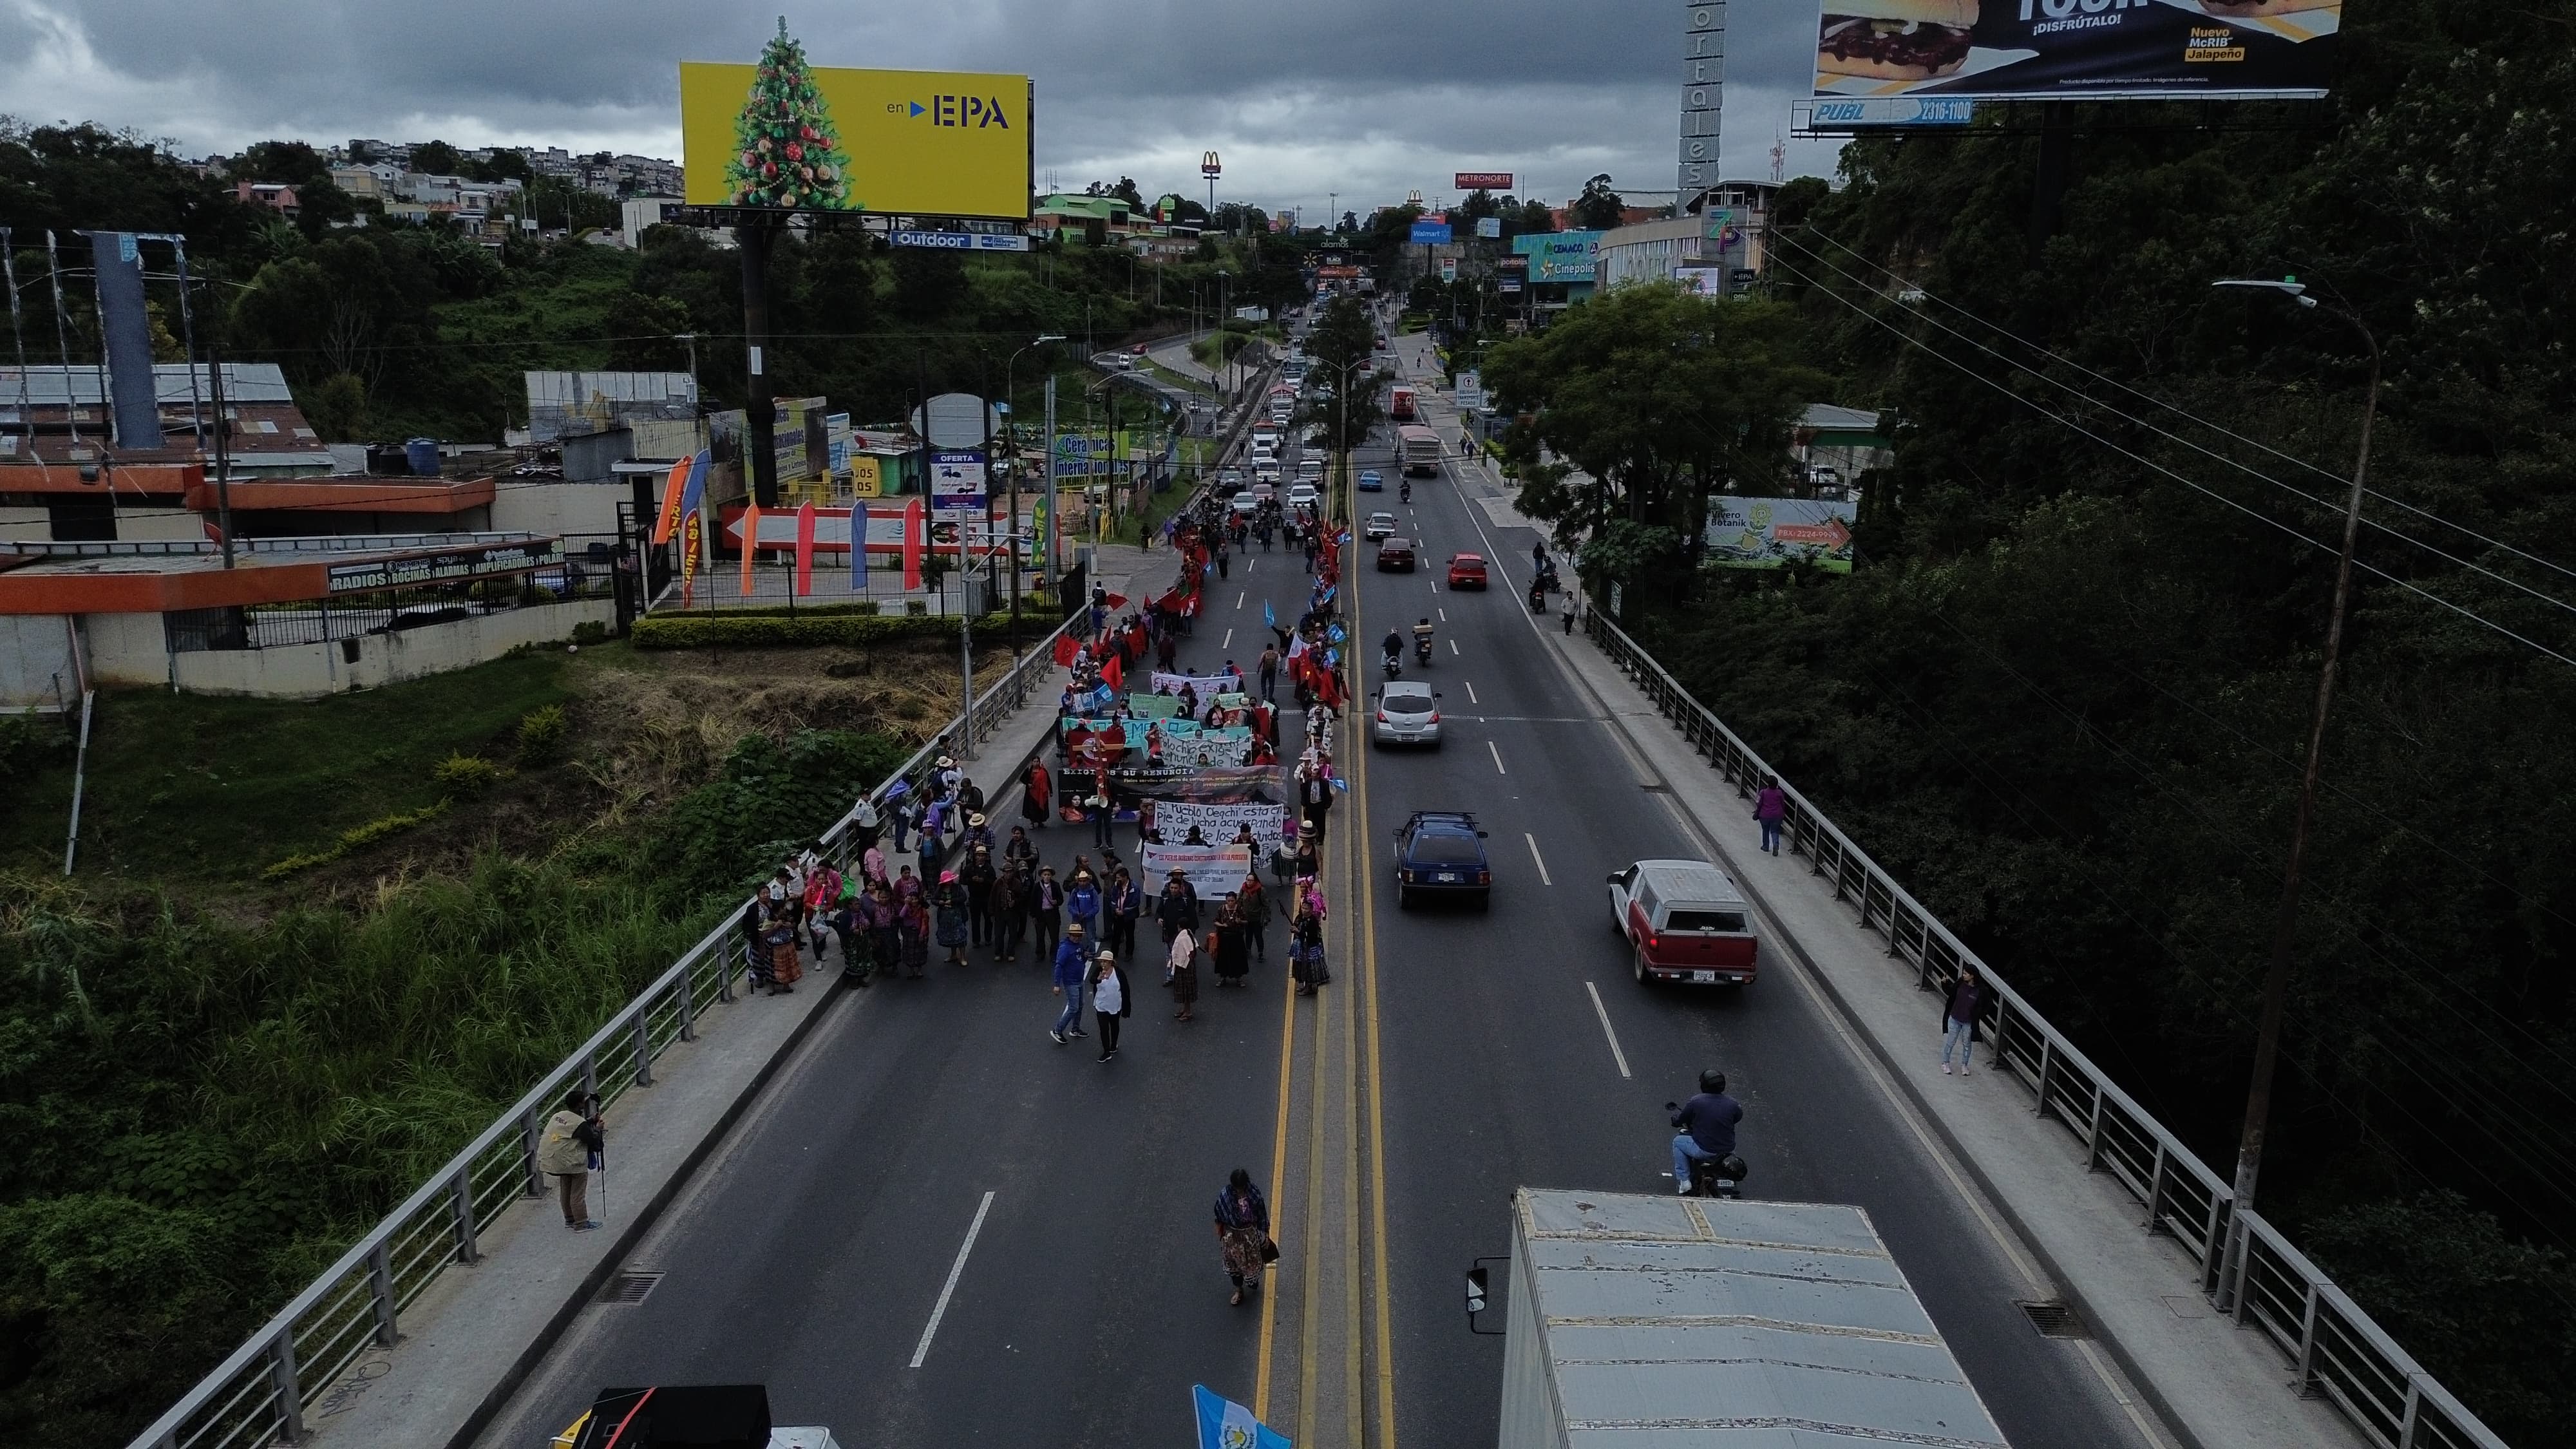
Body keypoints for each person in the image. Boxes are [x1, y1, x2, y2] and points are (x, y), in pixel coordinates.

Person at [1669, 1070, 1745, 1195]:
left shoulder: (1696, 1101)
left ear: (1704, 1085)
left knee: (1678, 1142)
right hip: (1728, 1150)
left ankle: (1684, 1182)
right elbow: (1737, 1118)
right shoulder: (1733, 1104)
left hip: (1704, 1149)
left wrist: (1675, 1121)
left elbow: (1682, 1119)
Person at [538, 1092, 604, 1231]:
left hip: (554, 1159)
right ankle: (581, 1223)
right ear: (580, 1104)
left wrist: (590, 1121)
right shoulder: (579, 1123)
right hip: (571, 1161)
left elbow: (573, 1128)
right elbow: (593, 1141)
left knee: (566, 1189)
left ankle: (570, 1219)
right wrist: (598, 1130)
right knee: (577, 1193)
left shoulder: (559, 1115)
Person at [1213, 1168, 1273, 1305]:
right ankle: (1239, 1290)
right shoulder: (1226, 1195)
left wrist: (1266, 1234)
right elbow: (1218, 1214)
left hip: (1250, 1238)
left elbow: (1262, 1215)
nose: (1239, 1191)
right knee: (1235, 1267)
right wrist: (1221, 1233)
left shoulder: (1254, 1195)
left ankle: (1252, 1282)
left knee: (1251, 1267)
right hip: (1232, 1238)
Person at [1050, 922, 1092, 1044]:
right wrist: (1057, 985)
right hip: (1071, 982)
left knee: (1080, 1005)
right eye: (1074, 935)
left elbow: (1081, 960)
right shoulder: (1065, 948)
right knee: (1074, 1007)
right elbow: (1059, 966)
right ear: (1069, 935)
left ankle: (1075, 1029)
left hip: (1079, 980)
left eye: (1079, 935)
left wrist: (1085, 956)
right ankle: (1058, 1030)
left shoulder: (1079, 945)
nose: (1077, 937)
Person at [1942, 968, 1986, 1075]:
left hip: (1968, 1021)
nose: (1963, 975)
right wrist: (1945, 983)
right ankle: (1945, 1063)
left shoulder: (1980, 990)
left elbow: (1987, 1005)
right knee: (1950, 1042)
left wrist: (1978, 1015)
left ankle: (1964, 1065)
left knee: (1967, 1044)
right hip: (1955, 1018)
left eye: (1966, 974)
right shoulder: (1960, 983)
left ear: (1972, 976)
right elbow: (1951, 992)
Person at [1088, 949, 1129, 1062]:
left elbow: (1125, 990)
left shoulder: (1119, 973)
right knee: (1104, 1029)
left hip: (1115, 1006)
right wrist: (1098, 979)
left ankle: (1114, 1045)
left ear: (1111, 962)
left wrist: (1126, 1009)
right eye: (1101, 962)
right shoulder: (1098, 971)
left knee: (1115, 1026)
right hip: (1101, 1005)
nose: (1103, 964)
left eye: (1105, 962)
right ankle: (1106, 1052)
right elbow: (1091, 980)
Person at [990, 862, 1028, 962]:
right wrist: (991, 912)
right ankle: (999, 953)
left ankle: (1010, 953)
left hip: (1012, 913)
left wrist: (1015, 902)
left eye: (1010, 872)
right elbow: (993, 898)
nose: (1008, 874)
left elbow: (1022, 897)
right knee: (999, 934)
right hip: (1000, 912)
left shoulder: (1017, 883)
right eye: (1006, 872)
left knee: (1012, 934)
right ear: (1003, 873)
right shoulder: (998, 883)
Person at [1210, 895, 1251, 987]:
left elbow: (1247, 921)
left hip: (1237, 938)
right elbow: (1215, 921)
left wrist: (1240, 921)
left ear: (1235, 901)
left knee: (1237, 958)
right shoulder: (1221, 909)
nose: (1231, 903)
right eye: (1229, 901)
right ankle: (1223, 978)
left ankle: (1238, 978)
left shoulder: (1240, 909)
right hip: (1224, 937)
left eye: (1232, 901)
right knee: (1223, 958)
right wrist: (1221, 925)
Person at [934, 870, 971, 967]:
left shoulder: (957, 888)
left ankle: (963, 957)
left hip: (957, 916)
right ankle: (953, 955)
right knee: (951, 938)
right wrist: (940, 902)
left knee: (960, 937)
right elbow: (934, 900)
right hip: (945, 917)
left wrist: (952, 901)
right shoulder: (940, 890)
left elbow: (963, 898)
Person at [961, 847, 997, 947]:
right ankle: (976, 941)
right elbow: (963, 880)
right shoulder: (969, 867)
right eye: (979, 855)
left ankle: (988, 939)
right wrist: (972, 880)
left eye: (982, 856)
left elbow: (994, 881)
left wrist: (984, 881)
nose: (980, 858)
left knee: (988, 919)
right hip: (974, 898)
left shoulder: (989, 868)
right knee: (975, 920)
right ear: (975, 856)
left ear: (985, 857)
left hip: (986, 897)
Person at [1167, 920, 1200, 1022]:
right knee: (1184, 989)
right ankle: (1184, 1009)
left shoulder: (1184, 937)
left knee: (1186, 989)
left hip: (1184, 967)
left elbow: (1190, 952)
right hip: (1184, 966)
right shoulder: (1188, 933)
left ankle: (1188, 1012)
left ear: (1179, 926)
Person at [1031, 866, 1065, 963]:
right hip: (1040, 914)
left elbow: (1061, 899)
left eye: (1048, 875)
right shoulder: (1037, 886)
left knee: (1054, 936)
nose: (1047, 877)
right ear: (1042, 876)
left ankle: (1054, 955)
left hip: (1052, 914)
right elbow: (1033, 901)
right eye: (1045, 875)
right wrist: (1033, 916)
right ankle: (1040, 954)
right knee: (1040, 936)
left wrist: (1056, 902)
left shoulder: (1056, 885)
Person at [1106, 865, 1142, 956]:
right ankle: (1114, 954)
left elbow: (1135, 903)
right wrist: (1116, 909)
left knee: (1129, 936)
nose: (1117, 880)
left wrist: (1124, 911)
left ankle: (1129, 954)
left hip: (1129, 917)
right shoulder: (1116, 886)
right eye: (1117, 878)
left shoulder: (1134, 888)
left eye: (1119, 878)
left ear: (1125, 877)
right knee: (1116, 936)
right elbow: (1113, 898)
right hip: (1117, 915)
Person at [1156, 868, 1200, 942]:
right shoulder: (1165, 899)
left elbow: (1193, 917)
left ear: (1179, 888)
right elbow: (1159, 912)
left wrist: (1191, 932)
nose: (1173, 890)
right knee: (1170, 953)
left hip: (1183, 933)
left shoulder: (1186, 900)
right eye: (1172, 888)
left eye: (1176, 888)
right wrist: (1159, 919)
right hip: (1169, 932)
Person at [1754, 775, 1788, 857]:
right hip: (1777, 815)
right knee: (1775, 831)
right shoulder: (1779, 793)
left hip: (1764, 815)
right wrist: (1783, 812)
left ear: (1768, 784)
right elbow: (1782, 804)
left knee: (1765, 830)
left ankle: (1766, 846)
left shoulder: (1763, 792)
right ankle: (1775, 844)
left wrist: (1758, 810)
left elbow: (1758, 802)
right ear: (1776, 784)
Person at [1022, 757, 1054, 829]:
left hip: (1041, 793)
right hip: (1031, 793)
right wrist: (1028, 784)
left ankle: (1040, 822)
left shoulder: (1043, 771)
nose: (1036, 763)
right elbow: (1022, 779)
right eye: (1034, 761)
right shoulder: (1029, 770)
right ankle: (1032, 823)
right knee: (1032, 808)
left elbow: (1048, 781)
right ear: (1032, 762)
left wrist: (1051, 791)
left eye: (1037, 761)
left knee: (1041, 808)